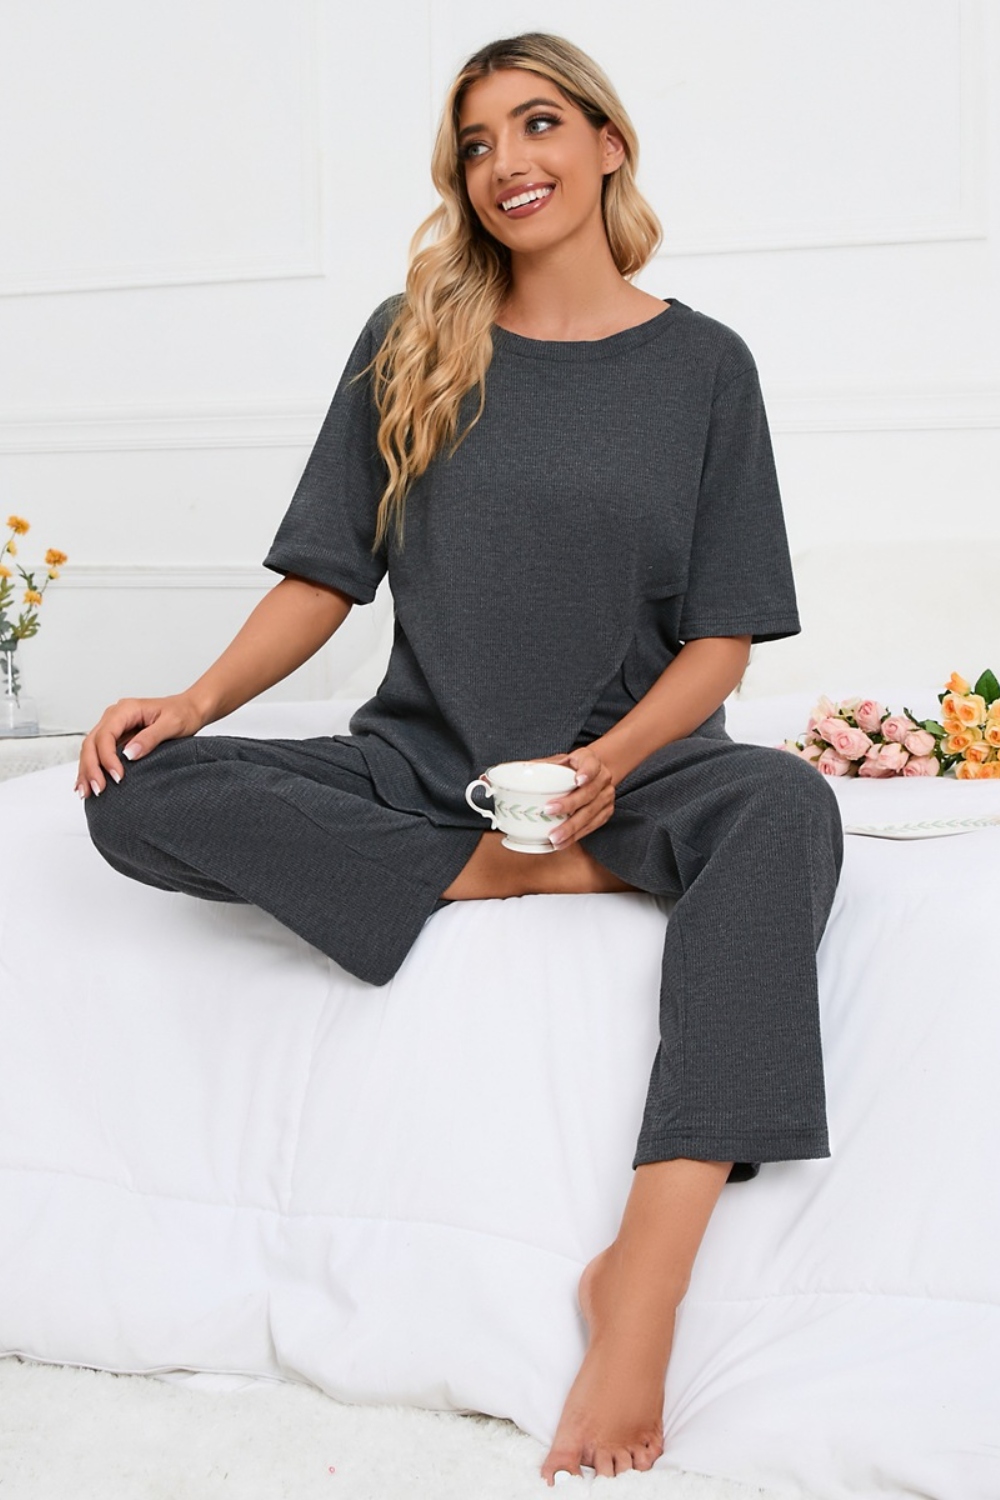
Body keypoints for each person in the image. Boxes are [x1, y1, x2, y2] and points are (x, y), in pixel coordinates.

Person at [77, 32, 844, 1486]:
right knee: (138, 796)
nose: (508, 164)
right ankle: (503, 875)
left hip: (635, 778)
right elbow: (324, 574)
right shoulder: (411, 336)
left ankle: (644, 1281)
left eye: (538, 124)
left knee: (786, 806)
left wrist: (609, 763)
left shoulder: (704, 366)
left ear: (608, 143)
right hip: (423, 773)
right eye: (477, 144)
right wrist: (194, 699)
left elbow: (725, 641)